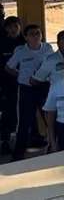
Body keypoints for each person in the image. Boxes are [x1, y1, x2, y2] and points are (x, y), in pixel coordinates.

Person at [5, 24, 54, 160]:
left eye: (38, 33)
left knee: (49, 118)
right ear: (26, 37)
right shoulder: (21, 51)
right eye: (32, 34)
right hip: (27, 89)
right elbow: (8, 67)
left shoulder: (47, 48)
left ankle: (55, 147)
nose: (35, 36)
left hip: (44, 87)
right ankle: (18, 154)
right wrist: (21, 76)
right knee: (24, 122)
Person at [0, 16, 25, 154]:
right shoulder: (2, 43)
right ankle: (5, 140)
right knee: (8, 112)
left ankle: (29, 137)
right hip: (6, 83)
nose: (13, 29)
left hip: (25, 84)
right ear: (6, 29)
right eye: (10, 27)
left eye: (15, 26)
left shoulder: (25, 42)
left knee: (24, 112)